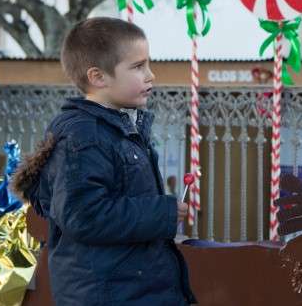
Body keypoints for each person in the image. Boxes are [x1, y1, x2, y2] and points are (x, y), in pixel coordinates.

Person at [12, 17, 196, 306]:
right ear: (98, 77)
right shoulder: (84, 135)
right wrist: (162, 213)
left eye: (148, 64)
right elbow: (84, 215)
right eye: (138, 67)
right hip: (109, 293)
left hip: (135, 288)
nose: (151, 76)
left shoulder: (119, 129)